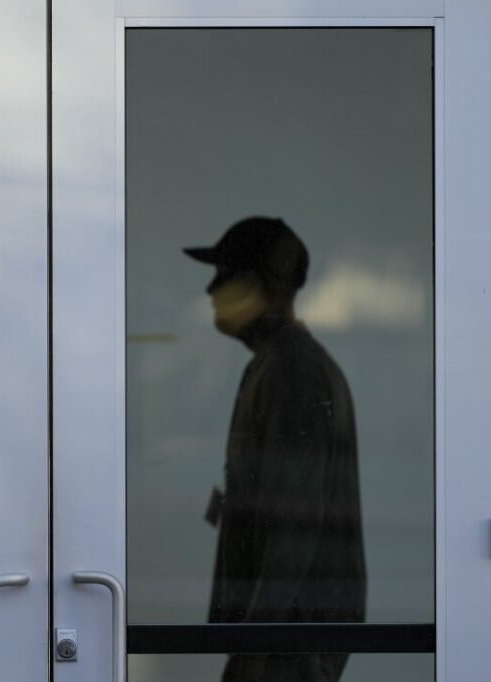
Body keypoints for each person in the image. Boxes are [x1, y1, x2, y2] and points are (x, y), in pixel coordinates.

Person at [185, 216, 366, 682]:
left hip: (287, 646)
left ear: (257, 285)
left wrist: (256, 647)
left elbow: (294, 524)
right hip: (281, 639)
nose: (211, 291)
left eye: (223, 275)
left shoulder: (293, 372)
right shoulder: (277, 367)